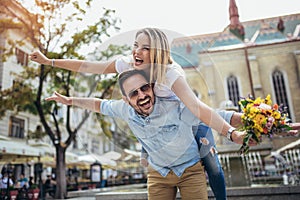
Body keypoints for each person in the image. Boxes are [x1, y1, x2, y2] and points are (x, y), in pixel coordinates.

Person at [30, 28, 244, 199]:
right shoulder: (127, 65)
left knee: (213, 166)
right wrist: (49, 61)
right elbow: (89, 67)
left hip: (188, 120)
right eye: (135, 45)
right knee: (142, 119)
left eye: (145, 48)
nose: (136, 51)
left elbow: (198, 108)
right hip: (154, 127)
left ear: (158, 52)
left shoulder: (171, 75)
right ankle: (147, 152)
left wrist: (232, 133)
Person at [45, 69, 251, 200]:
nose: (142, 95)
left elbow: (218, 115)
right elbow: (98, 105)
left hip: (190, 171)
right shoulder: (124, 110)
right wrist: (70, 101)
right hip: (159, 174)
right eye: (134, 93)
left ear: (152, 87)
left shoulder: (175, 106)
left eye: (145, 88)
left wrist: (254, 119)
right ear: (126, 99)